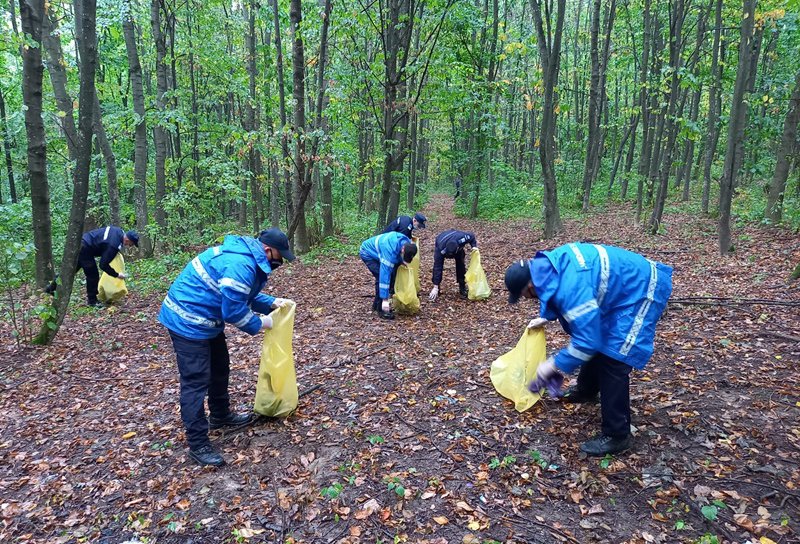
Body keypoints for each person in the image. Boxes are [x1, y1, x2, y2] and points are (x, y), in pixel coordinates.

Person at [504, 243, 673, 456]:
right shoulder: (546, 267)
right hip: (621, 287)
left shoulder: (570, 287)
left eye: (525, 296)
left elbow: (587, 341)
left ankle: (618, 435)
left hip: (641, 289)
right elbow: (558, 295)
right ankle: (586, 391)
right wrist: (545, 317)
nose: (528, 300)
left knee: (614, 357)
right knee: (600, 343)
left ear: (530, 288)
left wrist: (553, 365)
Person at [158, 228, 296, 467]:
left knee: (220, 367)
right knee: (196, 380)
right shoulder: (240, 264)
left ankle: (220, 416)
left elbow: (238, 294)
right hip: (187, 321)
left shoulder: (245, 258)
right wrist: (260, 323)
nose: (280, 261)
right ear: (266, 250)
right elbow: (232, 310)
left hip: (206, 320)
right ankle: (198, 443)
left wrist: (271, 302)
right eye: (279, 256)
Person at [360, 231, 417, 319]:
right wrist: (385, 299)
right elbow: (384, 276)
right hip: (367, 253)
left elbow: (399, 256)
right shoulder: (389, 252)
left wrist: (403, 261)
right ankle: (381, 309)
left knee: (391, 275)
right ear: (402, 250)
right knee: (380, 277)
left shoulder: (407, 243)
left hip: (380, 251)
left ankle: (376, 304)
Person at [76, 226, 139, 306]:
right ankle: (92, 301)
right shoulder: (114, 245)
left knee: (69, 271)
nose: (130, 246)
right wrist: (117, 275)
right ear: (127, 240)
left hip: (82, 242)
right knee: (93, 275)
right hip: (85, 248)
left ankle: (54, 288)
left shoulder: (119, 231)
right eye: (131, 244)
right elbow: (103, 265)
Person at [428, 230, 477, 301]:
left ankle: (462, 286)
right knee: (438, 266)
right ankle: (437, 288)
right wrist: (435, 286)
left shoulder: (462, 239)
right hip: (442, 243)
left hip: (458, 250)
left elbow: (472, 236)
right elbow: (437, 267)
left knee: (461, 266)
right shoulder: (440, 248)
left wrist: (474, 247)